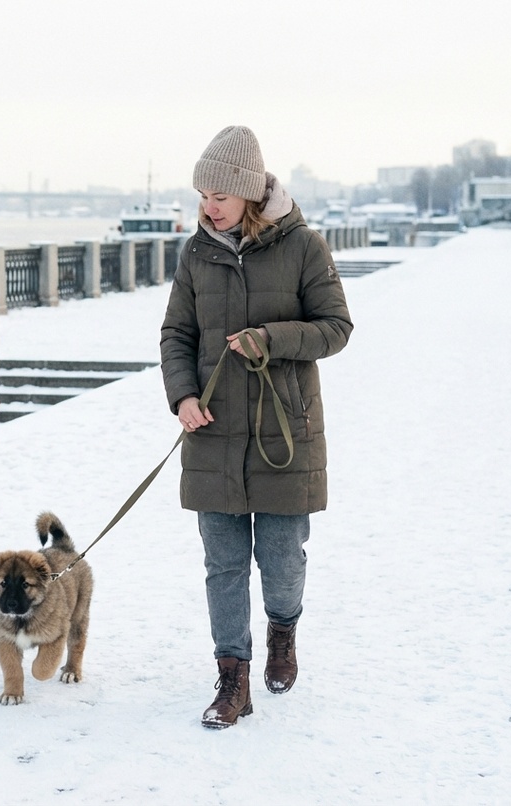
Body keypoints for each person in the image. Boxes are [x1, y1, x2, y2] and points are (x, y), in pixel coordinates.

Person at [159, 125, 353, 729]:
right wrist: (183, 395)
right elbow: (177, 334)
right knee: (222, 563)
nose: (208, 204)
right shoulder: (196, 252)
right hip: (212, 431)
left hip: (282, 432)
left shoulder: (305, 247)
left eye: (219, 193)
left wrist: (272, 339)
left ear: (248, 191)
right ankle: (232, 679)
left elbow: (336, 327)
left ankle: (283, 631)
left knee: (282, 557)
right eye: (202, 193)